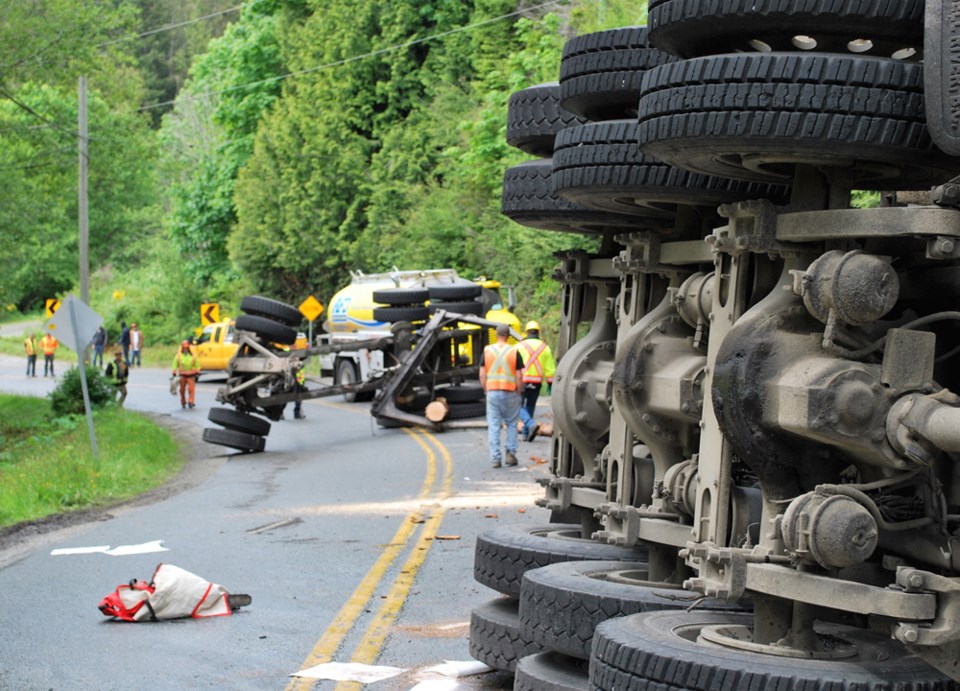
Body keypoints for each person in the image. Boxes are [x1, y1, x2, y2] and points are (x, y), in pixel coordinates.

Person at [479, 323, 522, 468]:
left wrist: (486, 389)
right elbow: (519, 375)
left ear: (496, 335)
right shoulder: (514, 351)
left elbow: (482, 373)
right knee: (511, 424)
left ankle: (495, 458)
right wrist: (519, 391)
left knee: (494, 425)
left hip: (492, 392)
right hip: (510, 392)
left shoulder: (487, 350)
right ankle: (510, 454)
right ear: (508, 336)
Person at [517, 320, 556, 442]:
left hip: (522, 381)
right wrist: (551, 384)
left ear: (527, 332)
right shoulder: (545, 348)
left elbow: (513, 364)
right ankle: (526, 433)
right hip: (536, 383)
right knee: (530, 406)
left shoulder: (519, 346)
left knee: (518, 406)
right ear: (538, 332)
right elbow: (550, 369)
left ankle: (529, 424)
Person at [172, 340, 200, 409]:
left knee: (191, 389)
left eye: (187, 348)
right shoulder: (178, 356)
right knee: (182, 390)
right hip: (182, 375)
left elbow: (197, 364)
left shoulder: (193, 356)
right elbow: (175, 364)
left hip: (191, 375)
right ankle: (183, 402)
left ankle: (191, 401)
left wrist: (198, 371)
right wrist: (174, 371)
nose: (185, 349)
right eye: (184, 348)